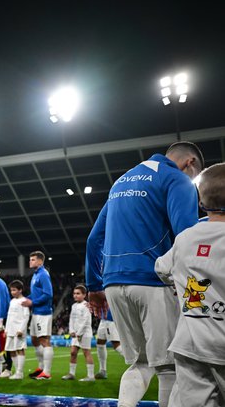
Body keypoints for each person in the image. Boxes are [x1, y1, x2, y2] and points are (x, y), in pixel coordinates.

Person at [86, 141, 204, 407]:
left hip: (113, 284)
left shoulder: (121, 182)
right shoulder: (176, 179)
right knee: (169, 367)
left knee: (140, 363)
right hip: (153, 281)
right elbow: (186, 236)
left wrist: (94, 286)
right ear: (190, 164)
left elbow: (94, 239)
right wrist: (191, 287)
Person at [155, 162, 225, 407]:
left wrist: (178, 281)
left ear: (201, 203)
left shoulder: (185, 237)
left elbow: (161, 268)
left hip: (190, 344)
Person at [22, 250, 54, 380]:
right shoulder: (35, 275)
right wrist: (24, 299)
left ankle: (46, 372)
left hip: (43, 313)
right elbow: (36, 294)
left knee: (44, 341)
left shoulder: (43, 275)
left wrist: (32, 302)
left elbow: (48, 294)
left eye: (33, 259)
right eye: (30, 259)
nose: (30, 261)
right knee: (34, 339)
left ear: (41, 261)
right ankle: (41, 367)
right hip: (36, 312)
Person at [62, 285, 95, 382]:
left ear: (84, 295)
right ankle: (71, 374)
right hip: (76, 334)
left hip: (84, 333)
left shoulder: (86, 305)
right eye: (74, 293)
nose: (75, 295)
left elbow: (86, 321)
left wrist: (79, 333)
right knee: (73, 353)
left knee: (86, 353)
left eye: (78, 293)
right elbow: (71, 319)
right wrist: (71, 330)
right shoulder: (74, 306)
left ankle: (91, 376)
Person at [4, 279, 29, 380]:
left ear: (20, 290)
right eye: (11, 290)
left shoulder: (24, 301)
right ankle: (17, 371)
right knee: (11, 350)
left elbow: (26, 316)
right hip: (10, 330)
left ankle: (20, 372)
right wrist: (6, 329)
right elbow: (9, 316)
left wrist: (21, 329)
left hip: (19, 330)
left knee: (20, 350)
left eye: (14, 290)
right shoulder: (12, 301)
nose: (12, 292)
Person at [95, 309, 124, 379]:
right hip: (103, 319)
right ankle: (103, 370)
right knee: (100, 343)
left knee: (116, 345)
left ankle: (138, 363)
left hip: (111, 320)